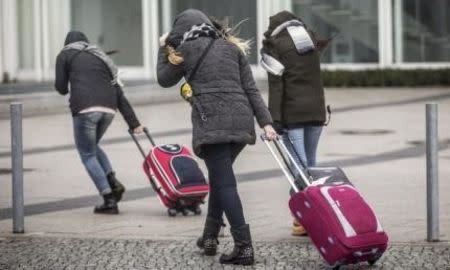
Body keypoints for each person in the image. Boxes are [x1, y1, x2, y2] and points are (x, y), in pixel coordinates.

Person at [157, 9, 277, 266]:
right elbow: (251, 89)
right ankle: (210, 237)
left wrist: (162, 47)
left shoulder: (187, 48)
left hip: (213, 124)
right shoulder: (231, 48)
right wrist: (266, 122)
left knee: (225, 184)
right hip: (241, 124)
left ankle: (244, 247)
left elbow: (163, 79)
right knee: (220, 178)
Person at [55, 31, 143, 215]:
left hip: (86, 109)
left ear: (67, 44)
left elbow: (61, 88)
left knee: (87, 154)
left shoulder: (65, 54)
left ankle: (109, 199)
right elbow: (118, 92)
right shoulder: (100, 57)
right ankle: (113, 182)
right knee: (92, 146)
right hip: (109, 109)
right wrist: (134, 123)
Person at [260, 11, 329, 236]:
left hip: (293, 116)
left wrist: (274, 120)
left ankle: (307, 218)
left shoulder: (275, 45)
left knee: (298, 170)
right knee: (309, 165)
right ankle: (311, 217)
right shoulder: (309, 39)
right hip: (317, 112)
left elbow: (276, 86)